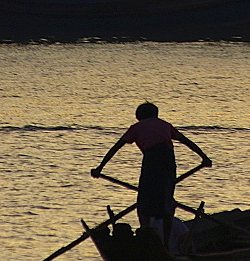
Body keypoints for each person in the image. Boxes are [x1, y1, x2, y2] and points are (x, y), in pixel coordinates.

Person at [91, 102, 212, 248]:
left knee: (144, 204)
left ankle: (147, 237)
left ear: (139, 117)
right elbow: (186, 141)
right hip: (168, 162)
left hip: (152, 161)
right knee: (166, 200)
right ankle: (165, 245)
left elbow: (116, 148)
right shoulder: (165, 125)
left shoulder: (136, 128)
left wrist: (100, 167)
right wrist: (204, 157)